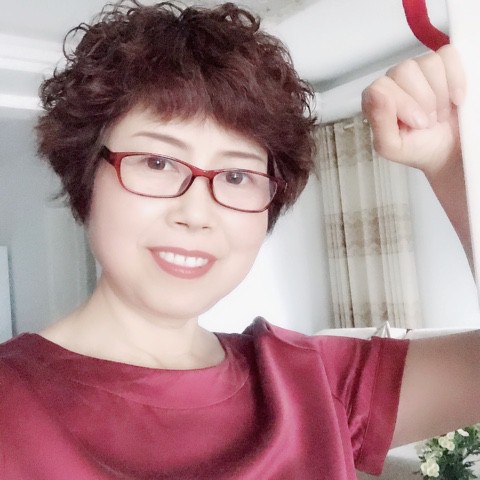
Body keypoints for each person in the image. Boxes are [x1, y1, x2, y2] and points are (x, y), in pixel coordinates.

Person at [0, 1, 476, 478]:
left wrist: (454, 168)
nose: (196, 214)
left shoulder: (312, 384)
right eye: (158, 163)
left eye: (236, 175)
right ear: (87, 175)